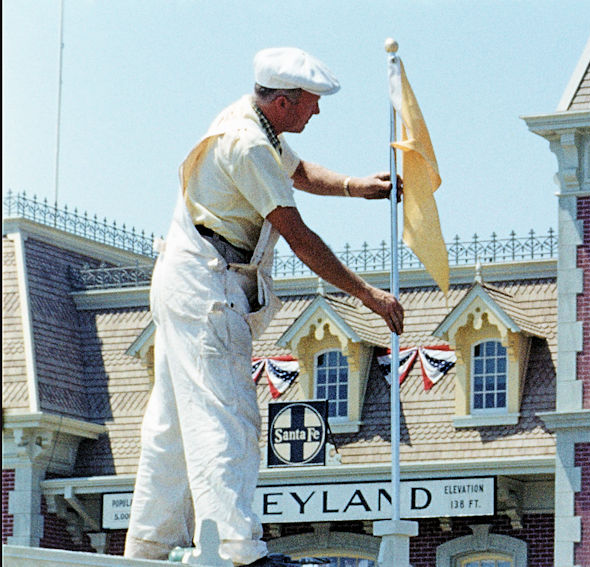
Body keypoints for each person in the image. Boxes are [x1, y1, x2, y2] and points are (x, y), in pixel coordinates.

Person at [124, 47, 404, 567]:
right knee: (226, 415)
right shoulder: (249, 143)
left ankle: (147, 549)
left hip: (188, 280)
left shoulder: (250, 124)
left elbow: (297, 172)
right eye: (310, 103)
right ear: (281, 103)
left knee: (172, 429)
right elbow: (299, 237)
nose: (316, 112)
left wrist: (353, 187)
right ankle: (238, 552)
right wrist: (367, 295)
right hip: (208, 288)